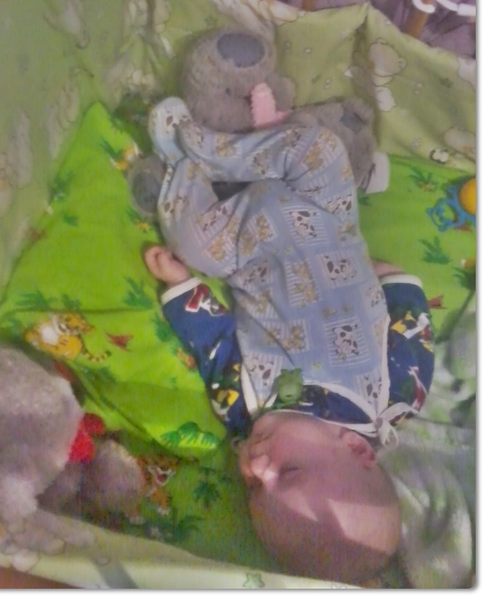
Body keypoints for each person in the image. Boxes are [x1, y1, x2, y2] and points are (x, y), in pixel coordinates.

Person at [139, 96, 434, 584]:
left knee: (190, 240)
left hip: (243, 247)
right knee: (323, 150)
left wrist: (181, 285)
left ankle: (181, 164)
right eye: (288, 473)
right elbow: (412, 323)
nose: (256, 467)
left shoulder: (245, 405)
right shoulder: (399, 393)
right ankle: (210, 146)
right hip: (326, 219)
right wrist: (393, 278)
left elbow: (212, 343)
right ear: (357, 450)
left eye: (255, 489)